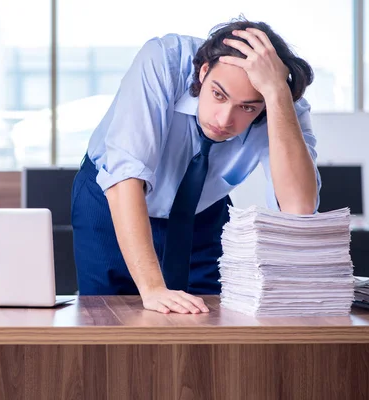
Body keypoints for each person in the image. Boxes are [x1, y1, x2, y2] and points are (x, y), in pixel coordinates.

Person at [70, 17, 320, 314]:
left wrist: (277, 96)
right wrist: (152, 288)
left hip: (202, 211)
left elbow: (299, 208)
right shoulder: (163, 60)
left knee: (209, 317)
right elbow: (126, 174)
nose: (225, 120)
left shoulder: (281, 102)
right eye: (218, 95)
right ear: (203, 72)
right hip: (112, 199)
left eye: (248, 107)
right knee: (109, 317)